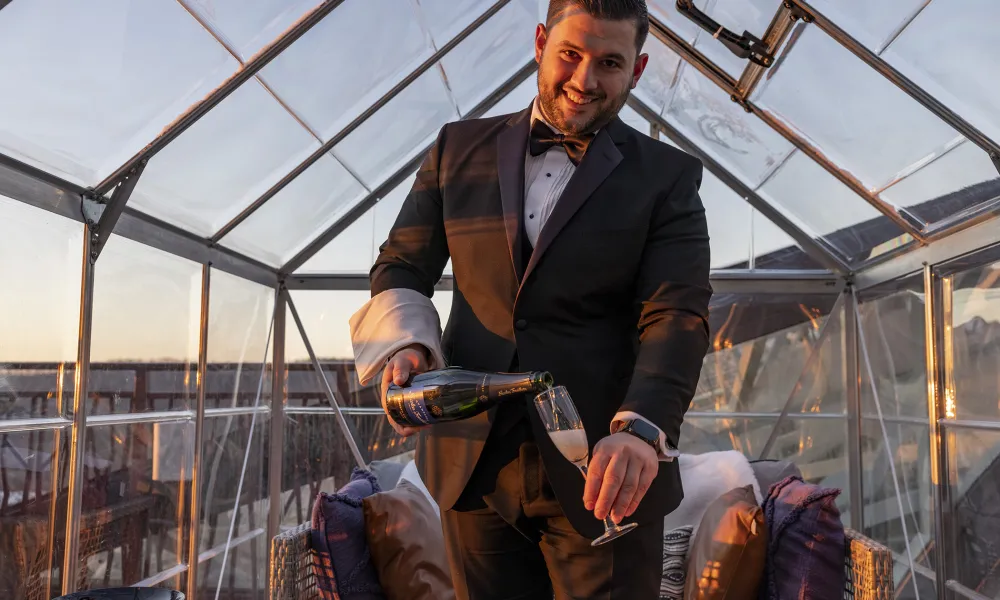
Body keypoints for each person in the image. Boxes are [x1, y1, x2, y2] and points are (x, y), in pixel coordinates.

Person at [348, 0, 712, 597]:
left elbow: (677, 311)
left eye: (610, 63)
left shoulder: (668, 176)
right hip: (472, 465)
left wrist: (641, 430)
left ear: (638, 70)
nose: (585, 80)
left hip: (602, 469)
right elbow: (402, 265)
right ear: (540, 42)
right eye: (570, 54)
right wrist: (408, 346)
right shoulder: (455, 150)